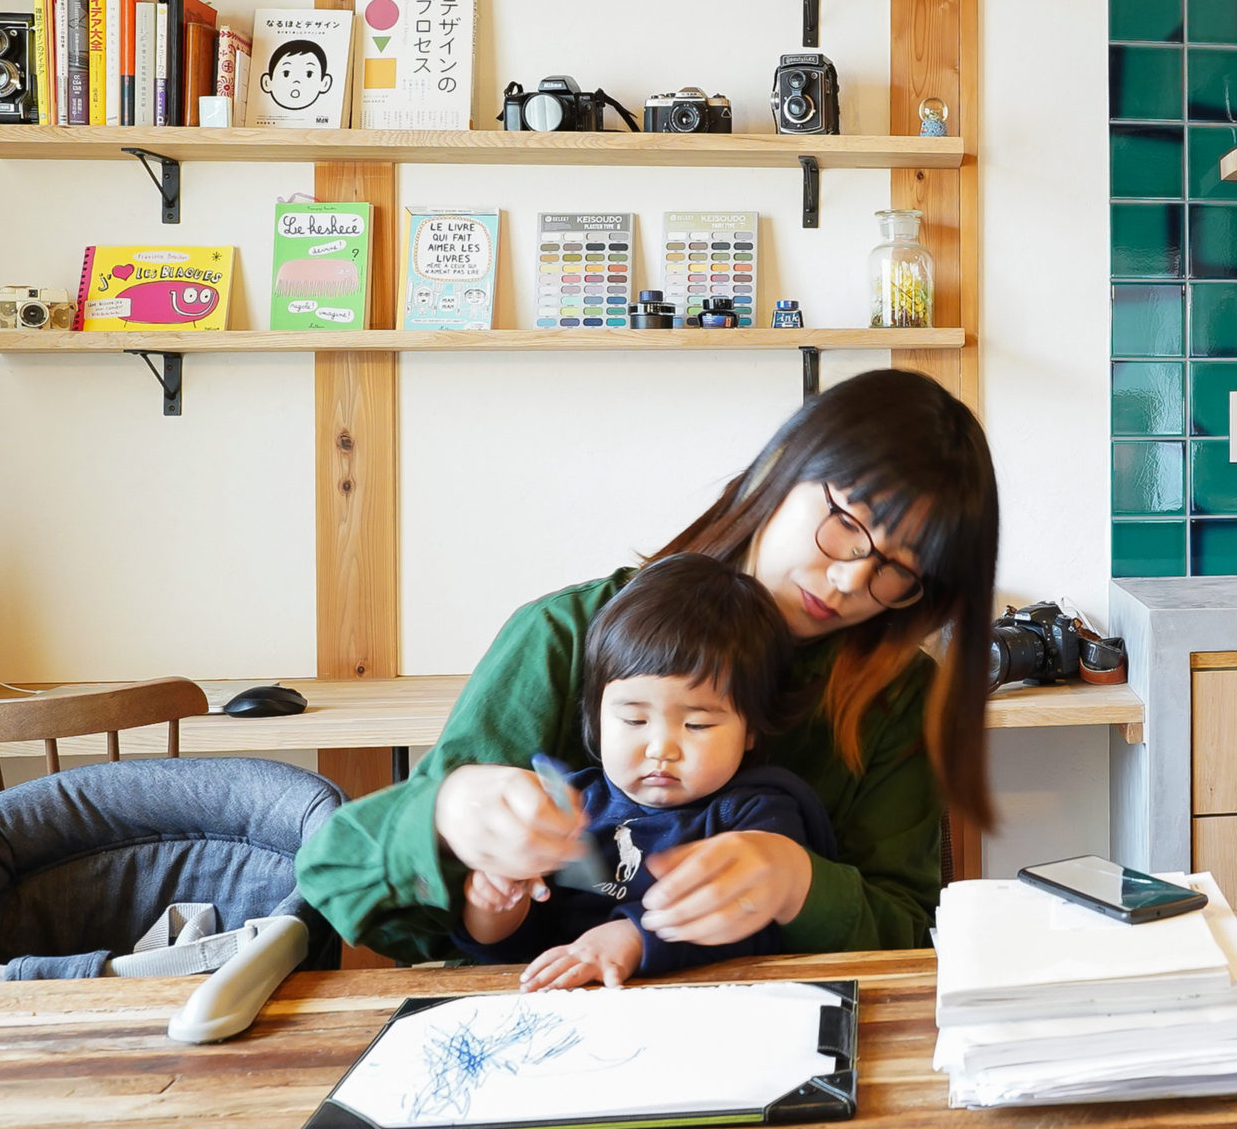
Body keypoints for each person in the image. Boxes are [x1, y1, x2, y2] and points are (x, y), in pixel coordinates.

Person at [296, 369, 1000, 963]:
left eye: (898, 570)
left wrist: (798, 880)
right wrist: (447, 815)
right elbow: (347, 879)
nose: (851, 581)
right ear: (787, 462)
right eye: (847, 523)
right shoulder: (567, 634)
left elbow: (912, 941)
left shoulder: (895, 696)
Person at [454, 553, 834, 990]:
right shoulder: (571, 805)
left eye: (697, 724)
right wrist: (496, 904)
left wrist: (633, 937)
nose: (661, 748)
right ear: (595, 719)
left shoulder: (757, 812)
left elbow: (756, 930)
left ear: (751, 730)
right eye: (634, 721)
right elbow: (510, 954)